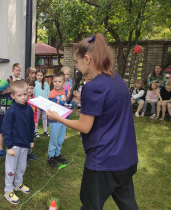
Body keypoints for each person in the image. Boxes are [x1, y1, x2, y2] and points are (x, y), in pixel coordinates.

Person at [46, 34, 139, 210]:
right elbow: (110, 108)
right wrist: (84, 101)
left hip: (103, 162)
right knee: (128, 205)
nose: (76, 66)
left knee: (90, 205)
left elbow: (84, 127)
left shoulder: (93, 87)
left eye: (76, 61)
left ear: (87, 59)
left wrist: (58, 117)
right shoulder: (116, 79)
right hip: (126, 158)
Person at [2, 80, 35, 205]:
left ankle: (18, 184)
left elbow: (32, 126)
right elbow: (6, 129)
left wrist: (31, 139)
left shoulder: (29, 109)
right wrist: (9, 146)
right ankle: (8, 190)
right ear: (13, 96)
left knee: (21, 167)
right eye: (20, 95)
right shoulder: (11, 111)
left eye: (25, 94)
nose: (23, 97)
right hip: (14, 146)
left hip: (24, 145)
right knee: (11, 169)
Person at [47, 72, 73, 167]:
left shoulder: (66, 92)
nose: (57, 83)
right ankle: (50, 157)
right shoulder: (52, 93)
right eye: (55, 81)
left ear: (63, 82)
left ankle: (57, 155)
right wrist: (64, 103)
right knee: (54, 139)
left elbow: (70, 104)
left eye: (59, 81)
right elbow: (55, 105)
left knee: (61, 139)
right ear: (53, 82)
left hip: (64, 119)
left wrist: (69, 103)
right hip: (54, 120)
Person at [0, 79, 13, 158]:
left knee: (10, 133)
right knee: (1, 133)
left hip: (10, 119)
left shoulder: (12, 95)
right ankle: (0, 148)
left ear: (7, 88)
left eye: (1, 91)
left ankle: (9, 146)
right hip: (1, 118)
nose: (0, 93)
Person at [33, 69, 50, 137]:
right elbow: (33, 94)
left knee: (44, 117)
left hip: (44, 104)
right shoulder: (35, 84)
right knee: (36, 117)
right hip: (37, 103)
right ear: (36, 76)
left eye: (41, 75)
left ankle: (45, 131)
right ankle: (36, 131)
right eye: (38, 75)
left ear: (43, 76)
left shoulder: (46, 84)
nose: (39, 77)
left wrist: (47, 101)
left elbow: (48, 93)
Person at [26, 79, 38, 163]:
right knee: (25, 139)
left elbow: (36, 112)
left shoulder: (34, 99)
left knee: (31, 138)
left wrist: (36, 121)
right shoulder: (23, 100)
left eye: (31, 88)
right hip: (24, 124)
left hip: (32, 124)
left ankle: (29, 153)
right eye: (28, 88)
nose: (30, 90)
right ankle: (24, 156)